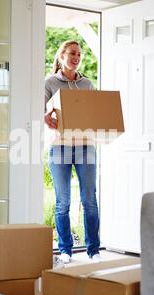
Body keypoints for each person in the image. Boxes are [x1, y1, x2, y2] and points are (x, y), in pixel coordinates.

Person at [44, 40, 101, 264]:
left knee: (89, 200)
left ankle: (93, 249)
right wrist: (45, 117)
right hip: (60, 146)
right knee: (63, 201)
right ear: (61, 56)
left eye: (79, 54)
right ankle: (65, 249)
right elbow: (39, 110)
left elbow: (96, 111)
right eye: (72, 53)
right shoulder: (50, 83)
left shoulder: (87, 84)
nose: (76, 57)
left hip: (85, 145)